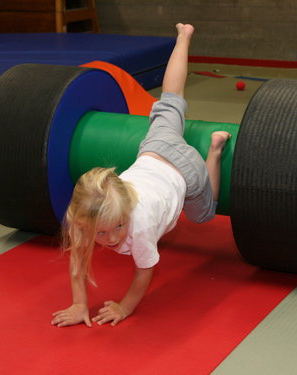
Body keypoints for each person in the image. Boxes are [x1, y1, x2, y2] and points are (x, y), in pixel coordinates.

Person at [51, 23, 231, 328]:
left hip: (186, 171)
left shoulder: (141, 228)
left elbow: (143, 273)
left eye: (118, 226)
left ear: (127, 209)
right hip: (155, 150)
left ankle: (214, 152)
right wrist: (79, 304)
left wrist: (124, 308)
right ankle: (184, 36)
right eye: (102, 234)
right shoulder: (89, 216)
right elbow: (77, 261)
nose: (114, 238)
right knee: (172, 98)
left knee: (205, 212)